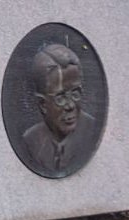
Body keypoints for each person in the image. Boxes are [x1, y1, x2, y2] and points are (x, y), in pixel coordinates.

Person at [21, 43, 99, 176]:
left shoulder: (92, 130)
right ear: (42, 104)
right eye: (61, 97)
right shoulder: (31, 140)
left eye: (75, 93)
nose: (70, 106)